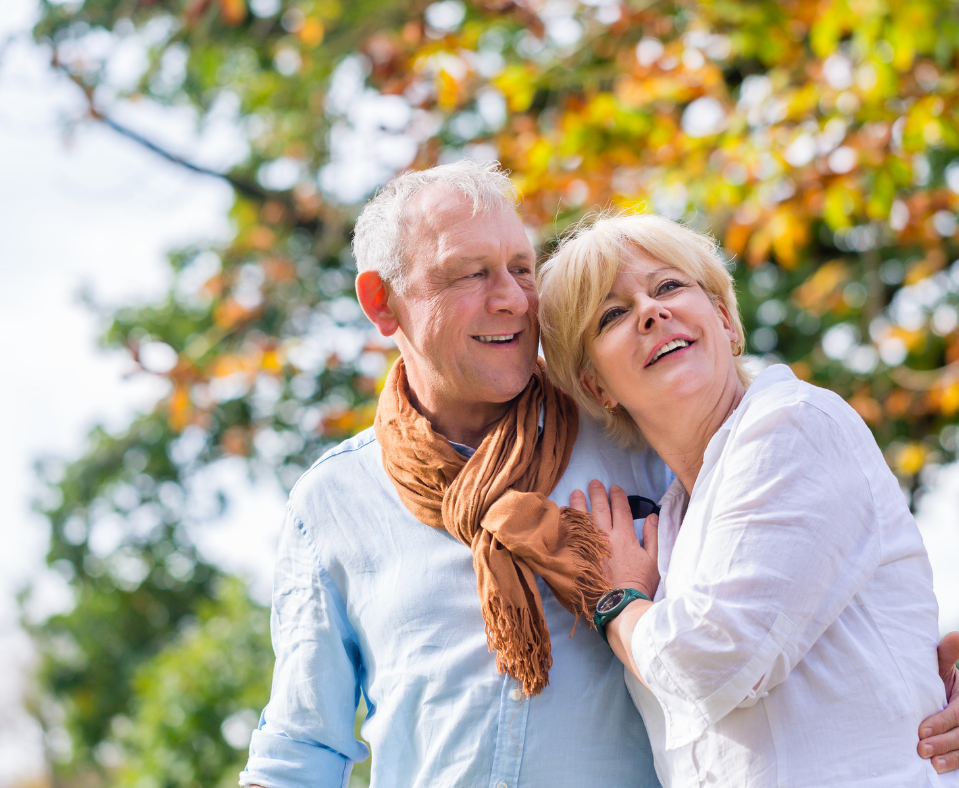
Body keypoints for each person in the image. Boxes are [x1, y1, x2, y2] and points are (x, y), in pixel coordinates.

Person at [240, 160, 959, 788]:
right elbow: (301, 747)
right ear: (380, 302)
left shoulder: (643, 433)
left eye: (521, 269)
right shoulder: (333, 500)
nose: (514, 300)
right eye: (469, 274)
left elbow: (823, 567)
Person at [536, 210, 959, 786]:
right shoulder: (673, 519)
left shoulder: (794, 426)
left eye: (669, 286)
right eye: (612, 314)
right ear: (596, 387)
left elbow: (709, 664)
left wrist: (618, 604)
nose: (651, 312)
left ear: (727, 321)